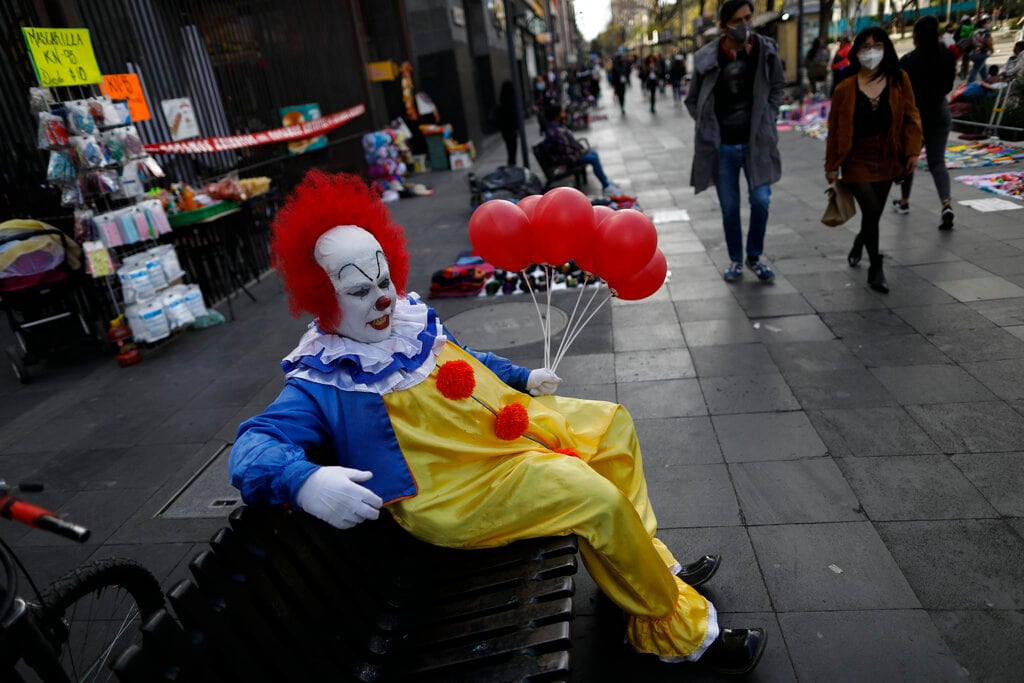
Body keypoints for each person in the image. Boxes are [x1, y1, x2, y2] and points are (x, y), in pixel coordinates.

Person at [229, 170, 767, 675]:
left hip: (503, 433)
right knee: (594, 496)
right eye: (358, 290)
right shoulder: (324, 377)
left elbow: (466, 359)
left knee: (611, 426)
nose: (383, 298)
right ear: (323, 296)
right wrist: (305, 481)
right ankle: (675, 631)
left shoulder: (410, 324)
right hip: (454, 492)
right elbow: (252, 447)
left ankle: (641, 563)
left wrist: (522, 376)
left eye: (384, 278)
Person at [685, 0, 785, 284]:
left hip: (757, 143)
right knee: (730, 207)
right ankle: (735, 260)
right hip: (723, 147)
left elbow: (777, 86)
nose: (745, 25)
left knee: (761, 200)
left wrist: (770, 116)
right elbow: (692, 99)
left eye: (748, 18)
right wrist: (706, 125)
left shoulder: (765, 51)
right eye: (738, 20)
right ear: (723, 25)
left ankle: (754, 256)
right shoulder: (708, 57)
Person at [825, 26, 923, 294]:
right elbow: (834, 129)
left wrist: (913, 151)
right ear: (856, 52)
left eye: (877, 45)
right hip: (856, 158)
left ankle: (860, 242)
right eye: (865, 47)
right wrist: (831, 166)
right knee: (870, 209)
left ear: (886, 48)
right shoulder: (845, 87)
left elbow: (911, 116)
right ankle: (875, 266)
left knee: (874, 213)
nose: (871, 52)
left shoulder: (899, 79)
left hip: (889, 155)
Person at [895, 15, 957, 230]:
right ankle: (946, 204)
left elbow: (900, 92)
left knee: (910, 157)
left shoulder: (909, 61)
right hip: (940, 111)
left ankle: (904, 201)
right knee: (937, 162)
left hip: (917, 118)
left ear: (917, 36)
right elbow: (949, 86)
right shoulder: (948, 56)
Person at [542, 103, 622, 195]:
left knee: (594, 154)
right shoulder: (554, 130)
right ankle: (606, 185)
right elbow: (564, 148)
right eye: (562, 112)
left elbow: (568, 144)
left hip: (568, 156)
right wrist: (580, 152)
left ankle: (606, 181)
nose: (564, 113)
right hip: (566, 160)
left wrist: (580, 151)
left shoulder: (557, 125)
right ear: (556, 115)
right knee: (593, 158)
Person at [495, 80, 519, 167]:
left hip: (505, 130)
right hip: (512, 129)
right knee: (513, 149)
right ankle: (512, 165)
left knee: (509, 149)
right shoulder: (513, 102)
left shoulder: (502, 102)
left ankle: (511, 164)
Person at [967, 15, 995, 83]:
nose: (989, 24)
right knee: (975, 69)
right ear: (983, 24)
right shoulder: (985, 32)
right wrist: (992, 50)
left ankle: (986, 81)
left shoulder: (975, 32)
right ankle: (969, 85)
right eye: (988, 23)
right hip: (981, 53)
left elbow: (971, 42)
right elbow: (989, 43)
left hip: (973, 53)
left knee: (983, 68)